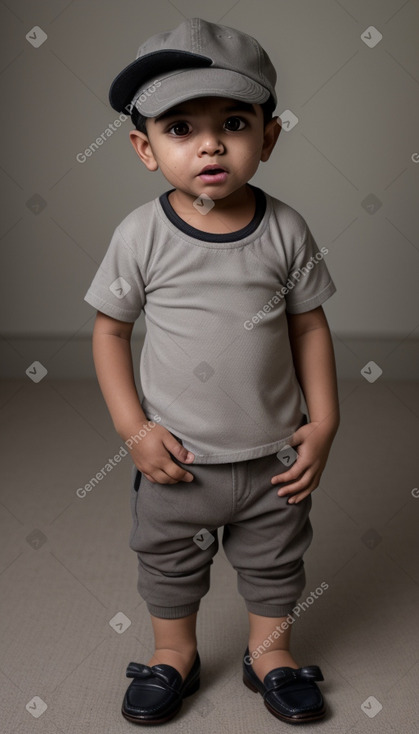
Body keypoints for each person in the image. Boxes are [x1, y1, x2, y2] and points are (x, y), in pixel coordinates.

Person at [84, 17, 339, 726]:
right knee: (167, 562)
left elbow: (308, 325)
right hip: (179, 459)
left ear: (269, 135)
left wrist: (324, 422)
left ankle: (270, 654)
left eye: (232, 122)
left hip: (273, 456)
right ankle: (174, 654)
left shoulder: (286, 230)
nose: (209, 144)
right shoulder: (141, 235)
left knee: (275, 561)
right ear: (144, 147)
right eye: (179, 128)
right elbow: (109, 331)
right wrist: (133, 429)